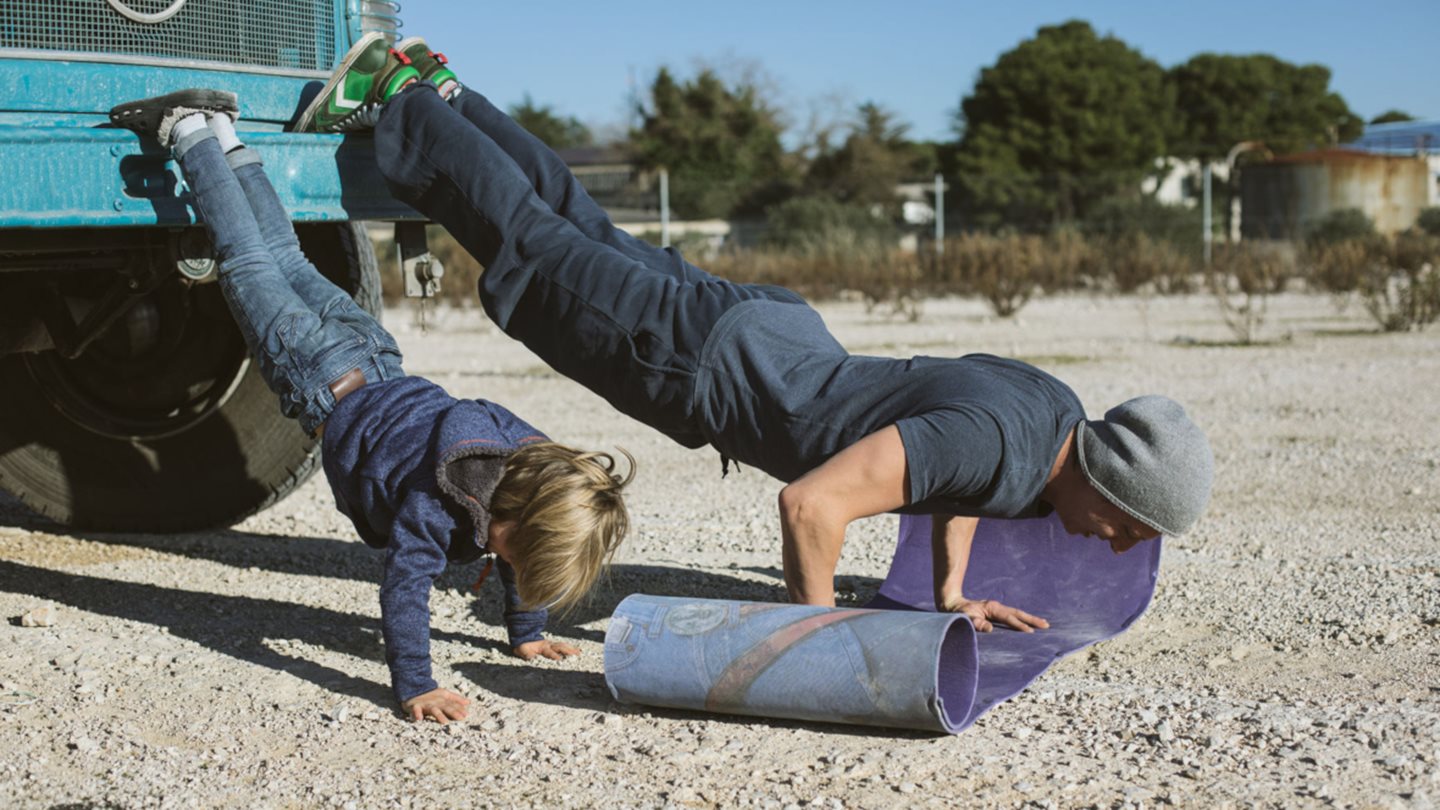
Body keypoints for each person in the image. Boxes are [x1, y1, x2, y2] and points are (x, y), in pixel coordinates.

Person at [296, 34, 1214, 633]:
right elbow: (812, 507)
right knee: (538, 255)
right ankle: (398, 98)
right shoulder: (1008, 448)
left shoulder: (1048, 414)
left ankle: (447, 92)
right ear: (1103, 477)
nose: (1125, 546)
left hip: (762, 331)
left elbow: (954, 475)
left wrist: (947, 594)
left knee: (575, 225)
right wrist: (814, 639)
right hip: (704, 363)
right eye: (1132, 527)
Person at [107, 86, 634, 724]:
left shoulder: (530, 462)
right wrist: (416, 685)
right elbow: (404, 591)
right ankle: (190, 132)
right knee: (244, 257)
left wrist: (525, 632)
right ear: (516, 517)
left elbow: (521, 557)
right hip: (316, 371)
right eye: (517, 556)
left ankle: (226, 136)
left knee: (285, 254)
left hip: (374, 354)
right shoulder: (440, 502)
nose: (510, 566)